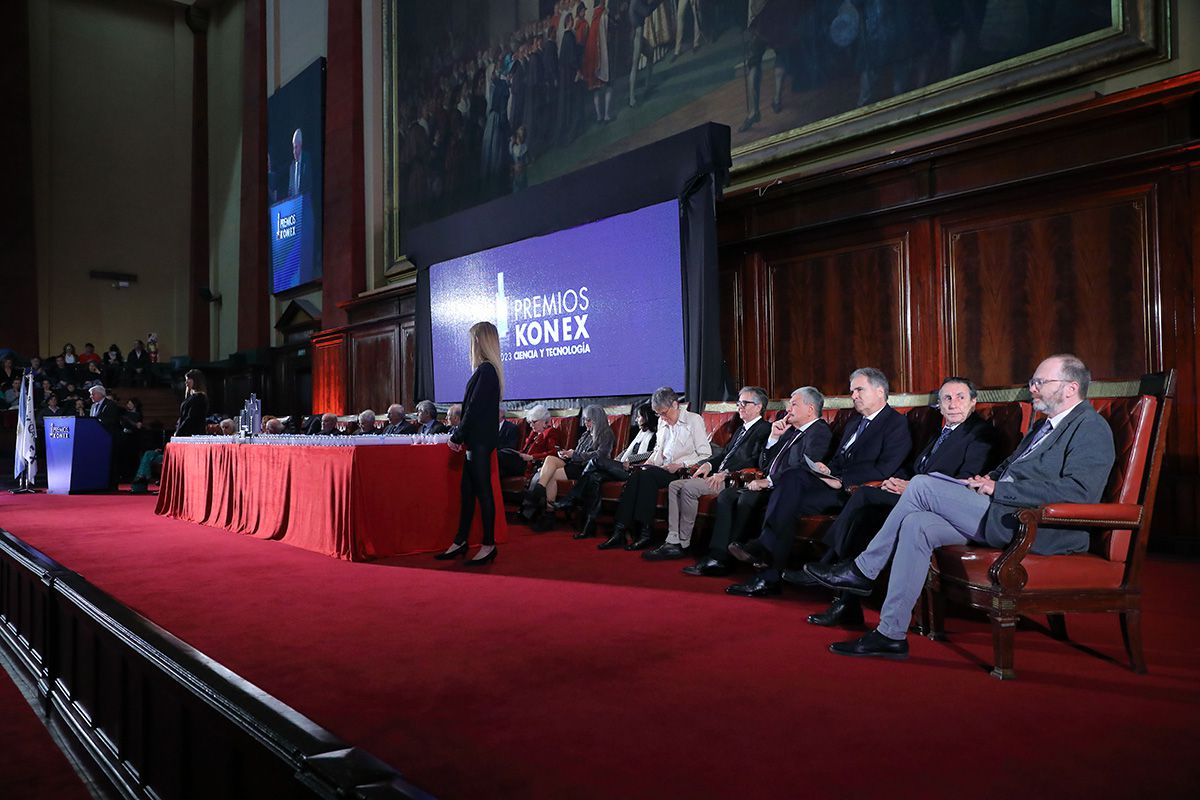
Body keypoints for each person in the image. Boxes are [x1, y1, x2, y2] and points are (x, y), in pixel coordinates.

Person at [807, 355, 1116, 660]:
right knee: (917, 523)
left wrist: (1001, 487)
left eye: (1040, 382)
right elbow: (1007, 469)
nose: (1032, 389)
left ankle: (863, 570)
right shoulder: (1042, 428)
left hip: (1035, 526)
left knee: (921, 484)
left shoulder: (1090, 427)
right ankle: (891, 633)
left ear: (1070, 387)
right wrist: (986, 480)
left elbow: (1080, 493)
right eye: (1033, 382)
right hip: (1001, 510)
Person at [796, 377, 1000, 627]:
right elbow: (916, 469)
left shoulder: (982, 434)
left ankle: (834, 564)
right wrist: (894, 481)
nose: (953, 404)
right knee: (865, 515)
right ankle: (846, 602)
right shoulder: (940, 433)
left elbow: (967, 481)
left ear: (973, 403)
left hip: (943, 506)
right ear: (939, 404)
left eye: (960, 397)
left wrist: (910, 487)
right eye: (947, 398)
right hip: (913, 497)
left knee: (864, 498)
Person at [726, 367, 912, 597]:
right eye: (852, 391)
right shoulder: (854, 422)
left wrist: (841, 480)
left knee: (786, 501)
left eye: (859, 390)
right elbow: (838, 459)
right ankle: (768, 568)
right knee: (791, 478)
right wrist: (827, 469)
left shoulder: (895, 423)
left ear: (880, 391)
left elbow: (885, 468)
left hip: (855, 491)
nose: (853, 395)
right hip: (831, 483)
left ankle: (768, 570)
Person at [683, 386, 833, 576]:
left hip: (786, 489)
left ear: (810, 409)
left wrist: (769, 481)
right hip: (768, 482)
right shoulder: (790, 431)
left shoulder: (819, 431)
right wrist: (773, 438)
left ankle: (736, 554)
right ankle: (718, 555)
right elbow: (764, 463)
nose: (788, 409)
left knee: (746, 498)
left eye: (794, 404)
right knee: (727, 496)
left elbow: (804, 468)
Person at [645, 386, 772, 561]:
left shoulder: (765, 429)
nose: (740, 407)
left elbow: (754, 460)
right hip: (717, 474)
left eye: (744, 403)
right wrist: (707, 465)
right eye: (738, 403)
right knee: (674, 486)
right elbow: (723, 455)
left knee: (688, 488)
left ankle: (683, 544)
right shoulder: (741, 429)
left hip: (733, 479)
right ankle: (673, 539)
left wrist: (726, 472)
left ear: (758, 407)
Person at [601, 386, 711, 551]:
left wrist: (681, 464)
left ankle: (643, 533)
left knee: (646, 476)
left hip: (682, 473)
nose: (662, 417)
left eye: (664, 413)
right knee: (639, 473)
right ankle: (621, 530)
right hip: (660, 470)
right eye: (658, 414)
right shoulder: (661, 421)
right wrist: (650, 462)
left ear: (675, 405)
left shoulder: (693, 420)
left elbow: (705, 454)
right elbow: (659, 450)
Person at [439, 321, 505, 566]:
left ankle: (488, 545)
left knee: (483, 493)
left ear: (479, 341)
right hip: (476, 441)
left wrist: (457, 436)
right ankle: (461, 540)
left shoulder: (486, 371)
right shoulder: (487, 371)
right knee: (467, 493)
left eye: (473, 339)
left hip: (478, 442)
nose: (470, 344)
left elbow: (473, 410)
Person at [527, 404, 616, 530]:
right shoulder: (586, 434)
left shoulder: (606, 434)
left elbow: (601, 455)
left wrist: (575, 454)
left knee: (550, 474)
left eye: (588, 420)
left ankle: (549, 512)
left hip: (586, 468)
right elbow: (578, 452)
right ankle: (541, 489)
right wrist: (567, 453)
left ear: (597, 419)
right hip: (575, 463)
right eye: (585, 419)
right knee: (550, 459)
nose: (586, 423)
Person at [131, 369, 208, 494]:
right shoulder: (193, 397)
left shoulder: (199, 398)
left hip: (189, 437)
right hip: (184, 436)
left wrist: (178, 433)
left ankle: (156, 485)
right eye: (186, 379)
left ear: (196, 380)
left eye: (189, 379)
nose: (186, 382)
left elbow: (191, 419)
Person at [288, 128, 309, 197]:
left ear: (300, 145)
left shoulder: (307, 162)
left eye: (296, 147)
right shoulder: (292, 166)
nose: (294, 151)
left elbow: (310, 185)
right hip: (295, 205)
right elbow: (290, 190)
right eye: (293, 148)